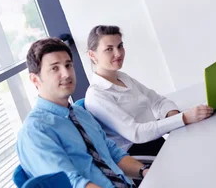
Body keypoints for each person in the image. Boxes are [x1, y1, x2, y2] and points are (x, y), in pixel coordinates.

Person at [17, 37, 148, 188]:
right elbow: (73, 184)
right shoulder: (35, 132)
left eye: (68, 65)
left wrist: (144, 171)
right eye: (55, 68)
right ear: (35, 80)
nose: (66, 74)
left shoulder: (80, 113)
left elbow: (112, 153)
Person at [85, 25, 213, 157]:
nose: (118, 53)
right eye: (109, 49)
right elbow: (136, 133)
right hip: (140, 156)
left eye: (120, 46)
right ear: (92, 55)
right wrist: (184, 118)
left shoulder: (123, 77)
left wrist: (173, 115)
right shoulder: (96, 95)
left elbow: (158, 101)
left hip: (156, 142)